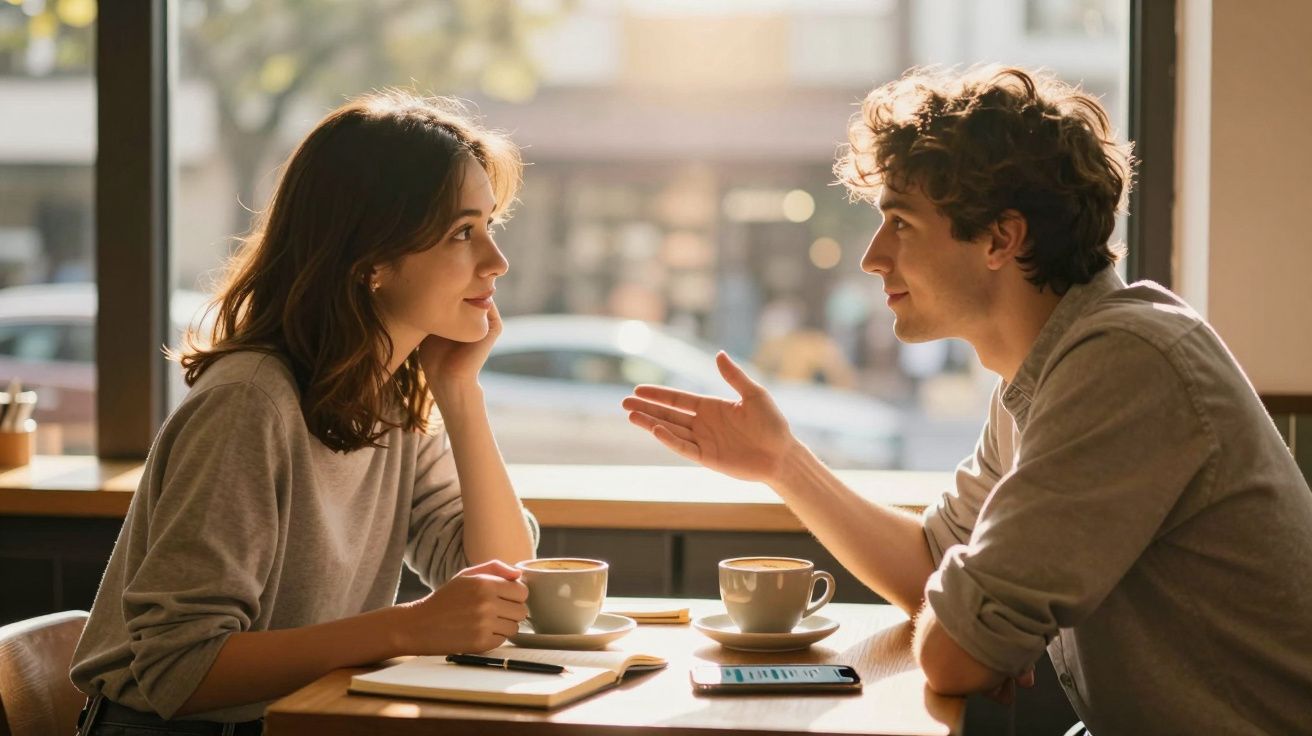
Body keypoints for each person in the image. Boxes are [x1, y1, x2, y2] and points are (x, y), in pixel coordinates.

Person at [622, 66, 1312, 735]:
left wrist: (975, 630)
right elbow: (933, 569)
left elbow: (954, 654)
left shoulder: (1124, 365)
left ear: (1001, 239)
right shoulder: (1044, 375)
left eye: (902, 223)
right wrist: (783, 464)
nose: (871, 256)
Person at [70, 90, 538, 734]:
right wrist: (408, 627)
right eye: (463, 232)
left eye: (491, 226)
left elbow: (502, 582)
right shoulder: (250, 403)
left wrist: (460, 394)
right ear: (371, 258)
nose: (497, 262)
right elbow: (179, 667)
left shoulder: (395, 393)